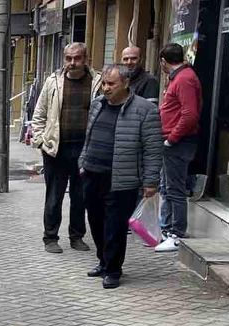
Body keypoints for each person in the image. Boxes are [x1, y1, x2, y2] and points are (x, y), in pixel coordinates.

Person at [78, 65, 163, 289]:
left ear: (125, 83)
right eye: (104, 83)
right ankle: (103, 261)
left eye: (111, 84)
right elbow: (88, 136)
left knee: (114, 227)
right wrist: (82, 163)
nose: (106, 88)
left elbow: (153, 149)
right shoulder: (97, 104)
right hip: (91, 173)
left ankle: (113, 270)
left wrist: (151, 181)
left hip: (121, 179)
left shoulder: (144, 110)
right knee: (95, 222)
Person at [31, 42, 101, 254]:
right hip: (56, 150)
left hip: (85, 150)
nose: (72, 63)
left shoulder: (97, 82)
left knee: (81, 197)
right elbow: (39, 114)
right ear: (64, 59)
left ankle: (77, 236)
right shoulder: (53, 82)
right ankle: (50, 237)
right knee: (54, 195)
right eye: (68, 58)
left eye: (77, 58)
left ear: (86, 59)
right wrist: (41, 141)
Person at [154, 42, 203, 252]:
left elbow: (189, 114)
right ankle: (166, 230)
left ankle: (176, 234)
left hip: (179, 142)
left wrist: (172, 138)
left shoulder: (184, 79)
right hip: (174, 141)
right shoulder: (180, 78)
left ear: (164, 61)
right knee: (167, 187)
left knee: (175, 189)